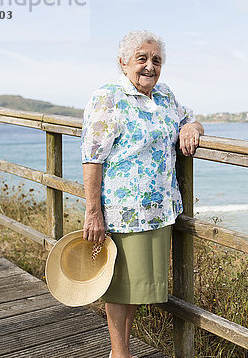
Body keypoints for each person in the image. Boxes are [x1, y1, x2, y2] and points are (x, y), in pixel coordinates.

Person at [80, 30, 204, 358]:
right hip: (123, 210)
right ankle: (119, 353)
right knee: (121, 286)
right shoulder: (107, 97)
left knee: (137, 286)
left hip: (159, 209)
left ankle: (122, 351)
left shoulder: (164, 95)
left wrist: (191, 128)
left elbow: (190, 118)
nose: (150, 66)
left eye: (156, 60)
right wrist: (93, 212)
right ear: (123, 63)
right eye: (142, 59)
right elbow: (92, 157)